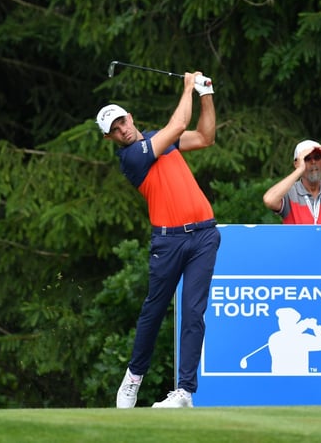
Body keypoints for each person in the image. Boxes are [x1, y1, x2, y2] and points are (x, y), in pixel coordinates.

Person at [95, 71, 220, 409]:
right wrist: (187, 88)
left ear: (129, 117)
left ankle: (184, 392)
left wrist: (205, 93)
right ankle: (133, 379)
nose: (122, 130)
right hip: (168, 243)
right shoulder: (132, 157)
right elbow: (178, 126)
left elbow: (206, 137)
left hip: (205, 235)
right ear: (110, 139)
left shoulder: (158, 139)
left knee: (194, 311)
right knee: (154, 310)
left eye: (122, 122)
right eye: (115, 130)